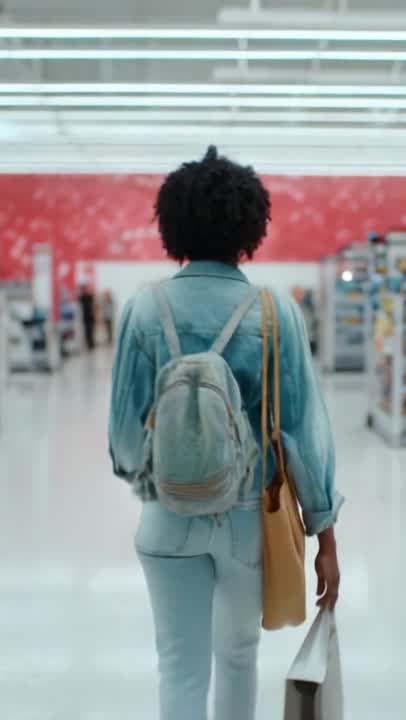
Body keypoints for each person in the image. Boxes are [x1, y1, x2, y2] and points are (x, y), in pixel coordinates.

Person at [108, 146, 344, 720]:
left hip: (166, 518)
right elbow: (303, 438)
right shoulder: (274, 312)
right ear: (250, 226)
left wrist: (165, 469)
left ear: (172, 223)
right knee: (238, 657)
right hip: (246, 521)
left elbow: (123, 442)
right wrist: (325, 536)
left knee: (179, 666)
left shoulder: (144, 309)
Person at [78, 283, 97, 351]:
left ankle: (92, 344)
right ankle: (89, 344)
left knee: (91, 331)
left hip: (90, 317)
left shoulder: (90, 296)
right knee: (87, 331)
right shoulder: (81, 297)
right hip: (85, 317)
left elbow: (94, 305)